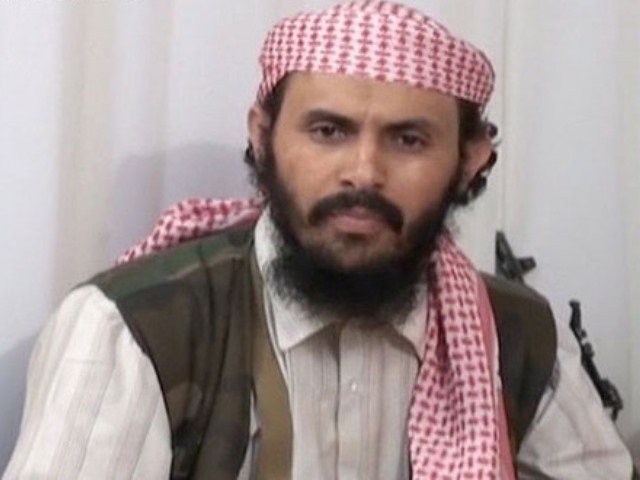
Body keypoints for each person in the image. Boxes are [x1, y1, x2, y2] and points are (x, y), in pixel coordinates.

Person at [4, 1, 636, 479]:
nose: (363, 172)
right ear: (262, 136)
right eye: (329, 131)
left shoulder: (518, 338)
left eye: (408, 139)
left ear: (470, 160)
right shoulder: (135, 331)